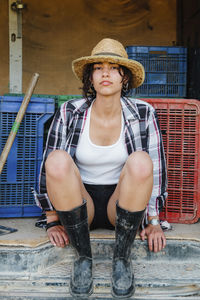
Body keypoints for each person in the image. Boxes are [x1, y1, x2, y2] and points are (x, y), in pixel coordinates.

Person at [34, 38, 168, 299]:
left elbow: (156, 168)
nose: (105, 73)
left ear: (125, 78)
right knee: (57, 159)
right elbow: (48, 168)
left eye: (114, 67)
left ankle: (122, 260)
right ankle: (83, 258)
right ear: (90, 77)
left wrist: (153, 221)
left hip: (123, 202)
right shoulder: (70, 111)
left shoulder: (143, 113)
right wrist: (51, 220)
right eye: (98, 67)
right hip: (80, 201)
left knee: (141, 161)